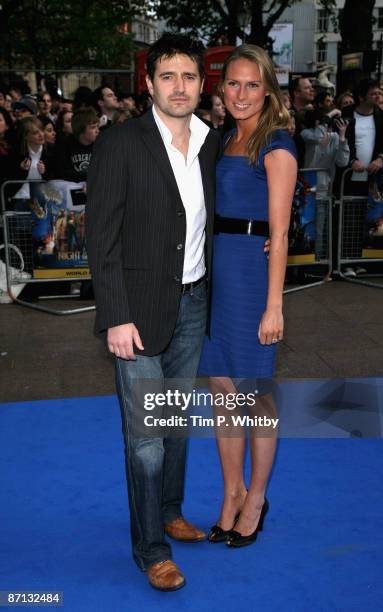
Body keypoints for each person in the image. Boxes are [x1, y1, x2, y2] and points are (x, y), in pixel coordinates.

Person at [85, 33, 221, 592]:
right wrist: (115, 314)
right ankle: (151, 550)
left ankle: (169, 511)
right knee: (146, 437)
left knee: (174, 425)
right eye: (168, 76)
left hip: (192, 302)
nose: (180, 86)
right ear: (149, 85)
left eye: (188, 76)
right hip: (136, 312)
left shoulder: (213, 142)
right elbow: (101, 237)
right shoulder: (122, 143)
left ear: (200, 83)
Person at [198, 44, 297, 548]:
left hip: (254, 280)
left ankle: (256, 497)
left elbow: (279, 235)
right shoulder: (222, 140)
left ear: (268, 89)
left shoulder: (275, 144)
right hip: (219, 273)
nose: (241, 93)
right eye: (233, 84)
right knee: (221, 391)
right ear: (222, 89)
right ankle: (230, 493)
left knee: (255, 393)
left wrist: (274, 305)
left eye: (252, 84)